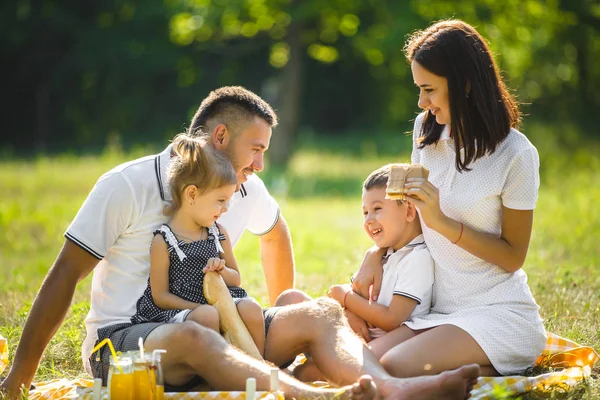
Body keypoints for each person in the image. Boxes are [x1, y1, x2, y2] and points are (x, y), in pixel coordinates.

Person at [1, 86, 480, 400]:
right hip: (127, 347)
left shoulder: (244, 186)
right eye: (256, 149)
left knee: (321, 312)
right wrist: (20, 379)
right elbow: (65, 273)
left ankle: (393, 392)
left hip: (223, 332)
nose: (260, 165)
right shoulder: (125, 185)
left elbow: (275, 233)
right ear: (221, 135)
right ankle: (309, 397)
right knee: (194, 333)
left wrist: (266, 312)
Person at [352, 20, 547, 378]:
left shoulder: (517, 155)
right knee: (360, 361)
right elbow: (408, 220)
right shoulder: (425, 133)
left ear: (466, 84)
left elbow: (513, 257)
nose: (421, 102)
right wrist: (375, 254)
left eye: (429, 89)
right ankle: (475, 371)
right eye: (419, 89)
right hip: (435, 310)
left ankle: (498, 366)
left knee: (393, 367)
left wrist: (442, 222)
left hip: (497, 311)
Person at [130, 133, 265, 356]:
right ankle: (213, 371)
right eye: (221, 201)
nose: (226, 208)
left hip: (224, 303)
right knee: (207, 317)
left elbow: (236, 278)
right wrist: (200, 308)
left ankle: (257, 364)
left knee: (251, 309)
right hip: (186, 311)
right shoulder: (164, 240)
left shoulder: (218, 234)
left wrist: (222, 270)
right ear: (192, 194)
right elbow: (160, 296)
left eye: (228, 200)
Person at [328, 163, 434, 352]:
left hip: (384, 346)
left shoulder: (418, 258)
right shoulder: (383, 254)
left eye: (377, 209)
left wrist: (344, 297)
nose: (368, 219)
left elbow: (392, 319)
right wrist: (348, 311)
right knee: (292, 299)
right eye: (365, 212)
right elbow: (358, 295)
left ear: (409, 211)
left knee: (312, 367)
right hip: (361, 337)